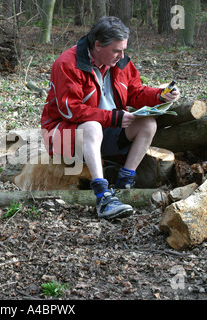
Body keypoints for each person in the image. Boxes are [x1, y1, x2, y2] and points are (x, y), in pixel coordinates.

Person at [40, 16, 180, 220]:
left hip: (104, 132)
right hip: (63, 136)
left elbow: (135, 92)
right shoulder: (67, 63)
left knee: (148, 124)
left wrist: (160, 95)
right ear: (97, 45)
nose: (121, 55)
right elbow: (70, 110)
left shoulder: (120, 62)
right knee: (92, 127)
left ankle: (125, 182)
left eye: (123, 49)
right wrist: (112, 118)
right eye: (116, 50)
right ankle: (103, 196)